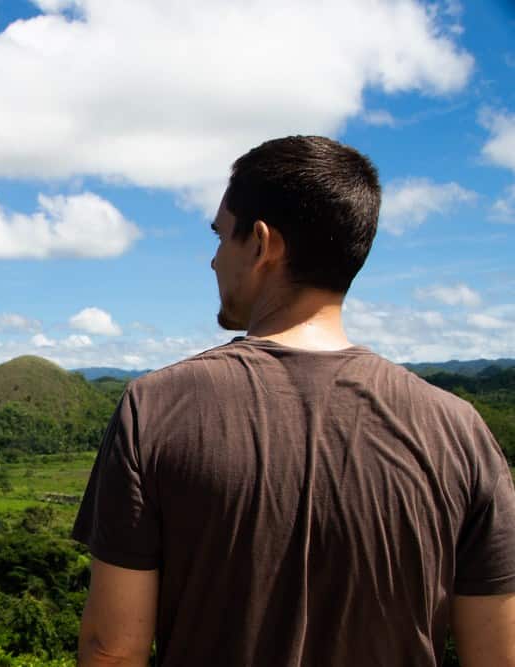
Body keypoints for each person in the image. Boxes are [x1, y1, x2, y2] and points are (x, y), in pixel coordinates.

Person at [72, 135, 515, 666]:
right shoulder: (458, 430)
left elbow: (112, 651)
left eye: (220, 236)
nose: (213, 261)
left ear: (261, 244)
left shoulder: (155, 408)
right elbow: (495, 653)